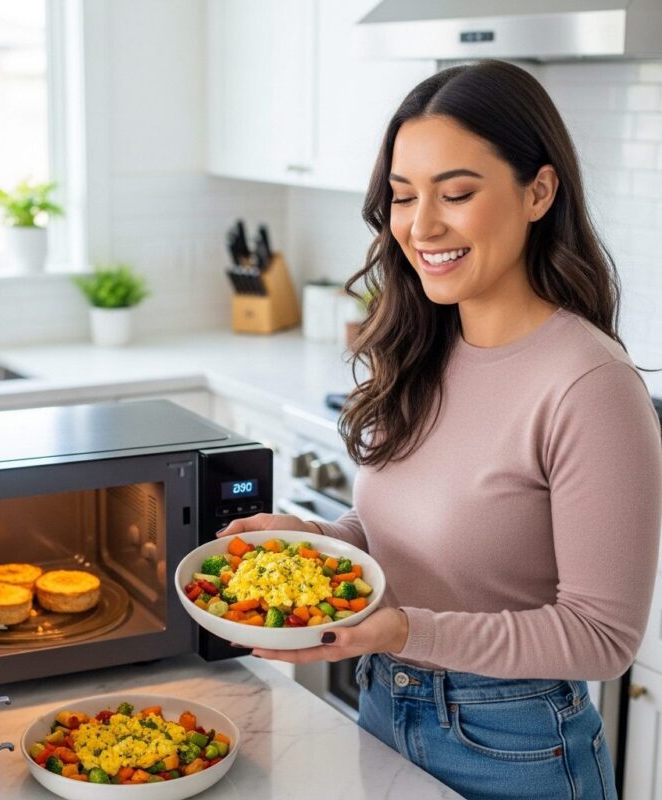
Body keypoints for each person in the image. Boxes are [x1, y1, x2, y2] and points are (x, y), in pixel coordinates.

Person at [219, 60, 662, 800]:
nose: (421, 225)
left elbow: (601, 638)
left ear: (538, 192)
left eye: (455, 193)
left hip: (516, 749)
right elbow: (413, 533)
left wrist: (403, 631)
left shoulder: (588, 385)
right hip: (385, 705)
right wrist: (318, 547)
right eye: (402, 196)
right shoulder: (423, 343)